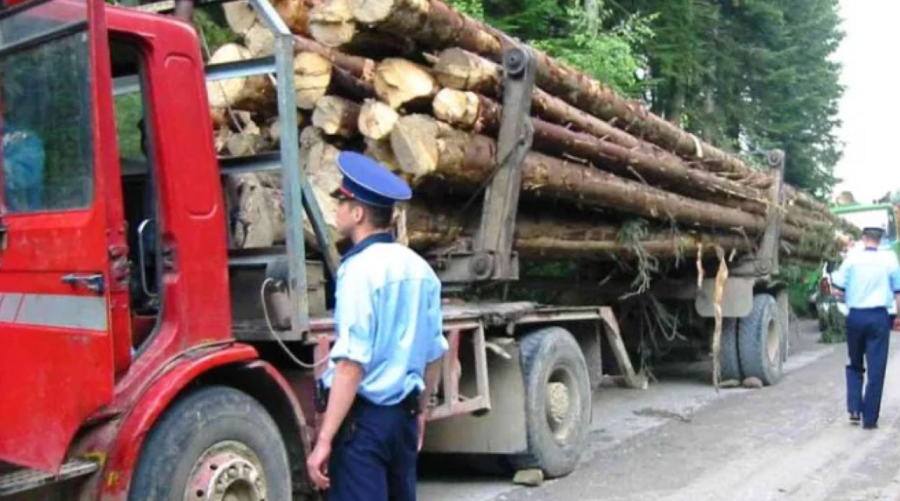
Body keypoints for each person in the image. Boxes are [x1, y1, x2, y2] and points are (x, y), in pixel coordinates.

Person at [306, 152, 448, 501]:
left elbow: (352, 365)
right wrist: (420, 414)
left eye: (342, 201)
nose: (337, 209)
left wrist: (324, 440)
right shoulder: (420, 269)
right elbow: (434, 354)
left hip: (363, 427)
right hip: (401, 420)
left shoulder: (358, 272)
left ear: (358, 213)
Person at [831, 223, 900, 429]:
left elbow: (837, 288)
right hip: (879, 317)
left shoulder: (852, 259)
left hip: (856, 316)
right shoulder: (889, 261)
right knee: (876, 368)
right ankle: (870, 419)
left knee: (854, 363)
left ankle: (854, 409)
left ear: (863, 237)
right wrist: (898, 317)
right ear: (880, 239)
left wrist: (846, 293)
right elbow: (898, 293)